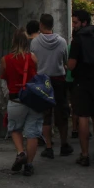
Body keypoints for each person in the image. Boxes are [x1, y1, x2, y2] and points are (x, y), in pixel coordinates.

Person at [0, 28, 40, 177]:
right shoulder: (33, 58)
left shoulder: (6, 59)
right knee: (32, 133)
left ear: (13, 41)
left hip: (15, 99)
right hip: (33, 99)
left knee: (15, 129)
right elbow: (37, 76)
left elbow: (3, 78)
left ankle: (20, 152)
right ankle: (29, 165)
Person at [68, 10, 94, 165]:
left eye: (76, 22)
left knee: (83, 117)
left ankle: (84, 154)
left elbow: (71, 65)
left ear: (84, 22)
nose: (74, 25)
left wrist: (68, 65)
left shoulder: (77, 40)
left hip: (81, 83)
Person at [30, 14, 71, 158]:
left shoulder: (35, 42)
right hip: (59, 78)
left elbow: (33, 61)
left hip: (42, 79)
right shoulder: (62, 41)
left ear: (41, 25)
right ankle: (64, 144)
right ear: (52, 25)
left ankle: (48, 146)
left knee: (46, 115)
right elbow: (65, 61)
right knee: (62, 113)